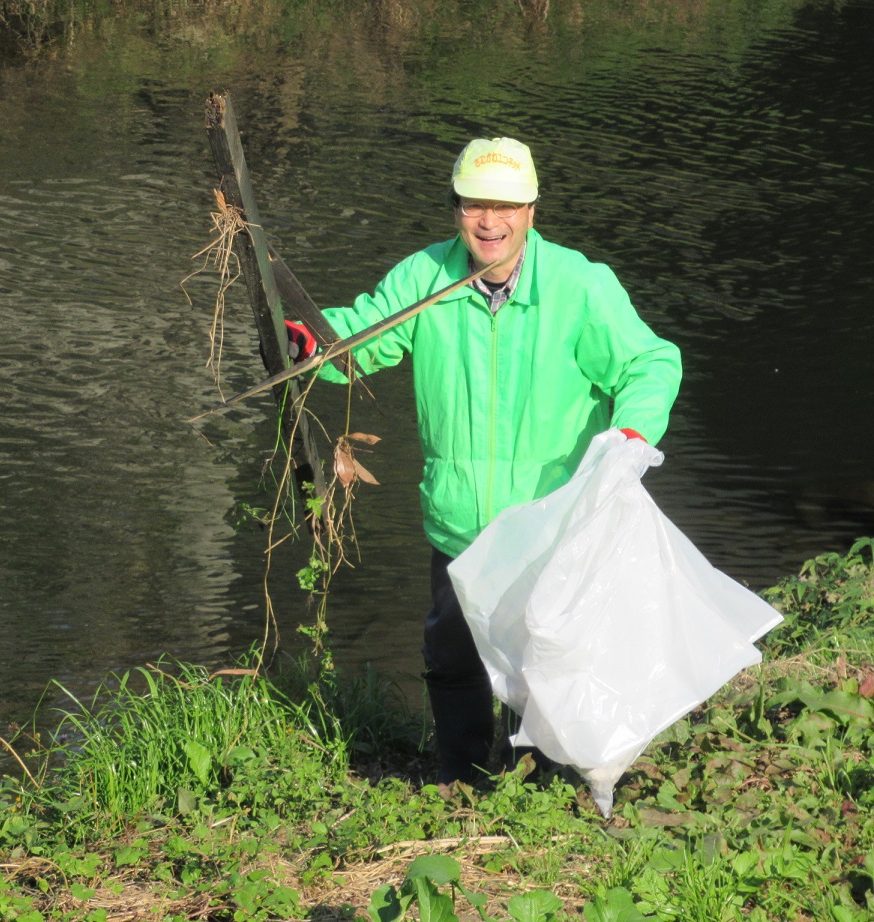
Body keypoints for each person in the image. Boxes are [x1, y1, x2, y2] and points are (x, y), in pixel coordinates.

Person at [284, 137, 682, 790]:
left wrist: (632, 430)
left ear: (530, 210)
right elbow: (360, 340)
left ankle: (546, 788)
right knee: (452, 652)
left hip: (549, 520)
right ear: (455, 208)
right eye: (473, 206)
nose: (488, 223)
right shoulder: (425, 279)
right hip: (458, 518)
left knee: (546, 660)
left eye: (504, 207)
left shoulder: (579, 288)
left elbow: (650, 362)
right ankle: (460, 776)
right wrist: (307, 340)